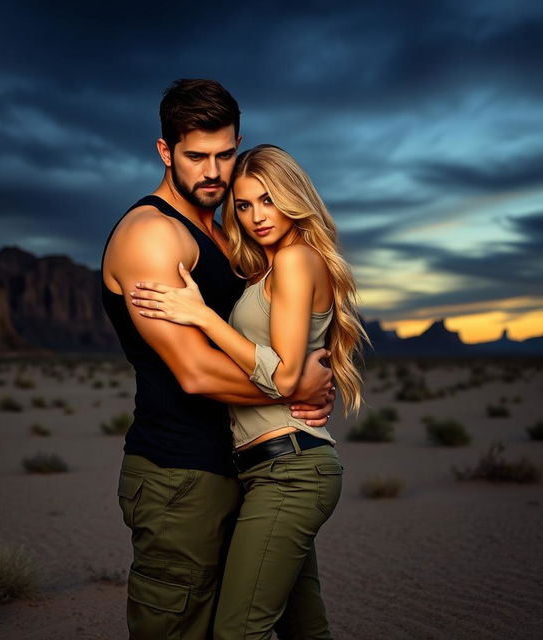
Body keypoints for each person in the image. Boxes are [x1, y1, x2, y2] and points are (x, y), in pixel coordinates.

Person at [101, 80, 336, 639]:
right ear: (165, 152)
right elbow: (196, 371)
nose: (213, 171)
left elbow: (286, 330)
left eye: (224, 154)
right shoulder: (154, 235)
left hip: (251, 469)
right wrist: (295, 386)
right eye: (196, 156)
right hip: (179, 476)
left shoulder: (230, 233)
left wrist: (309, 374)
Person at [132, 144, 367, 639]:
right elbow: (290, 373)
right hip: (270, 470)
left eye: (268, 199)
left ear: (294, 198)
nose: (257, 216)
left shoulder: (297, 260)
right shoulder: (270, 268)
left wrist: (201, 317)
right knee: (304, 628)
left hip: (291, 471)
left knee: (239, 631)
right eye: (243, 205)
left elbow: (282, 376)